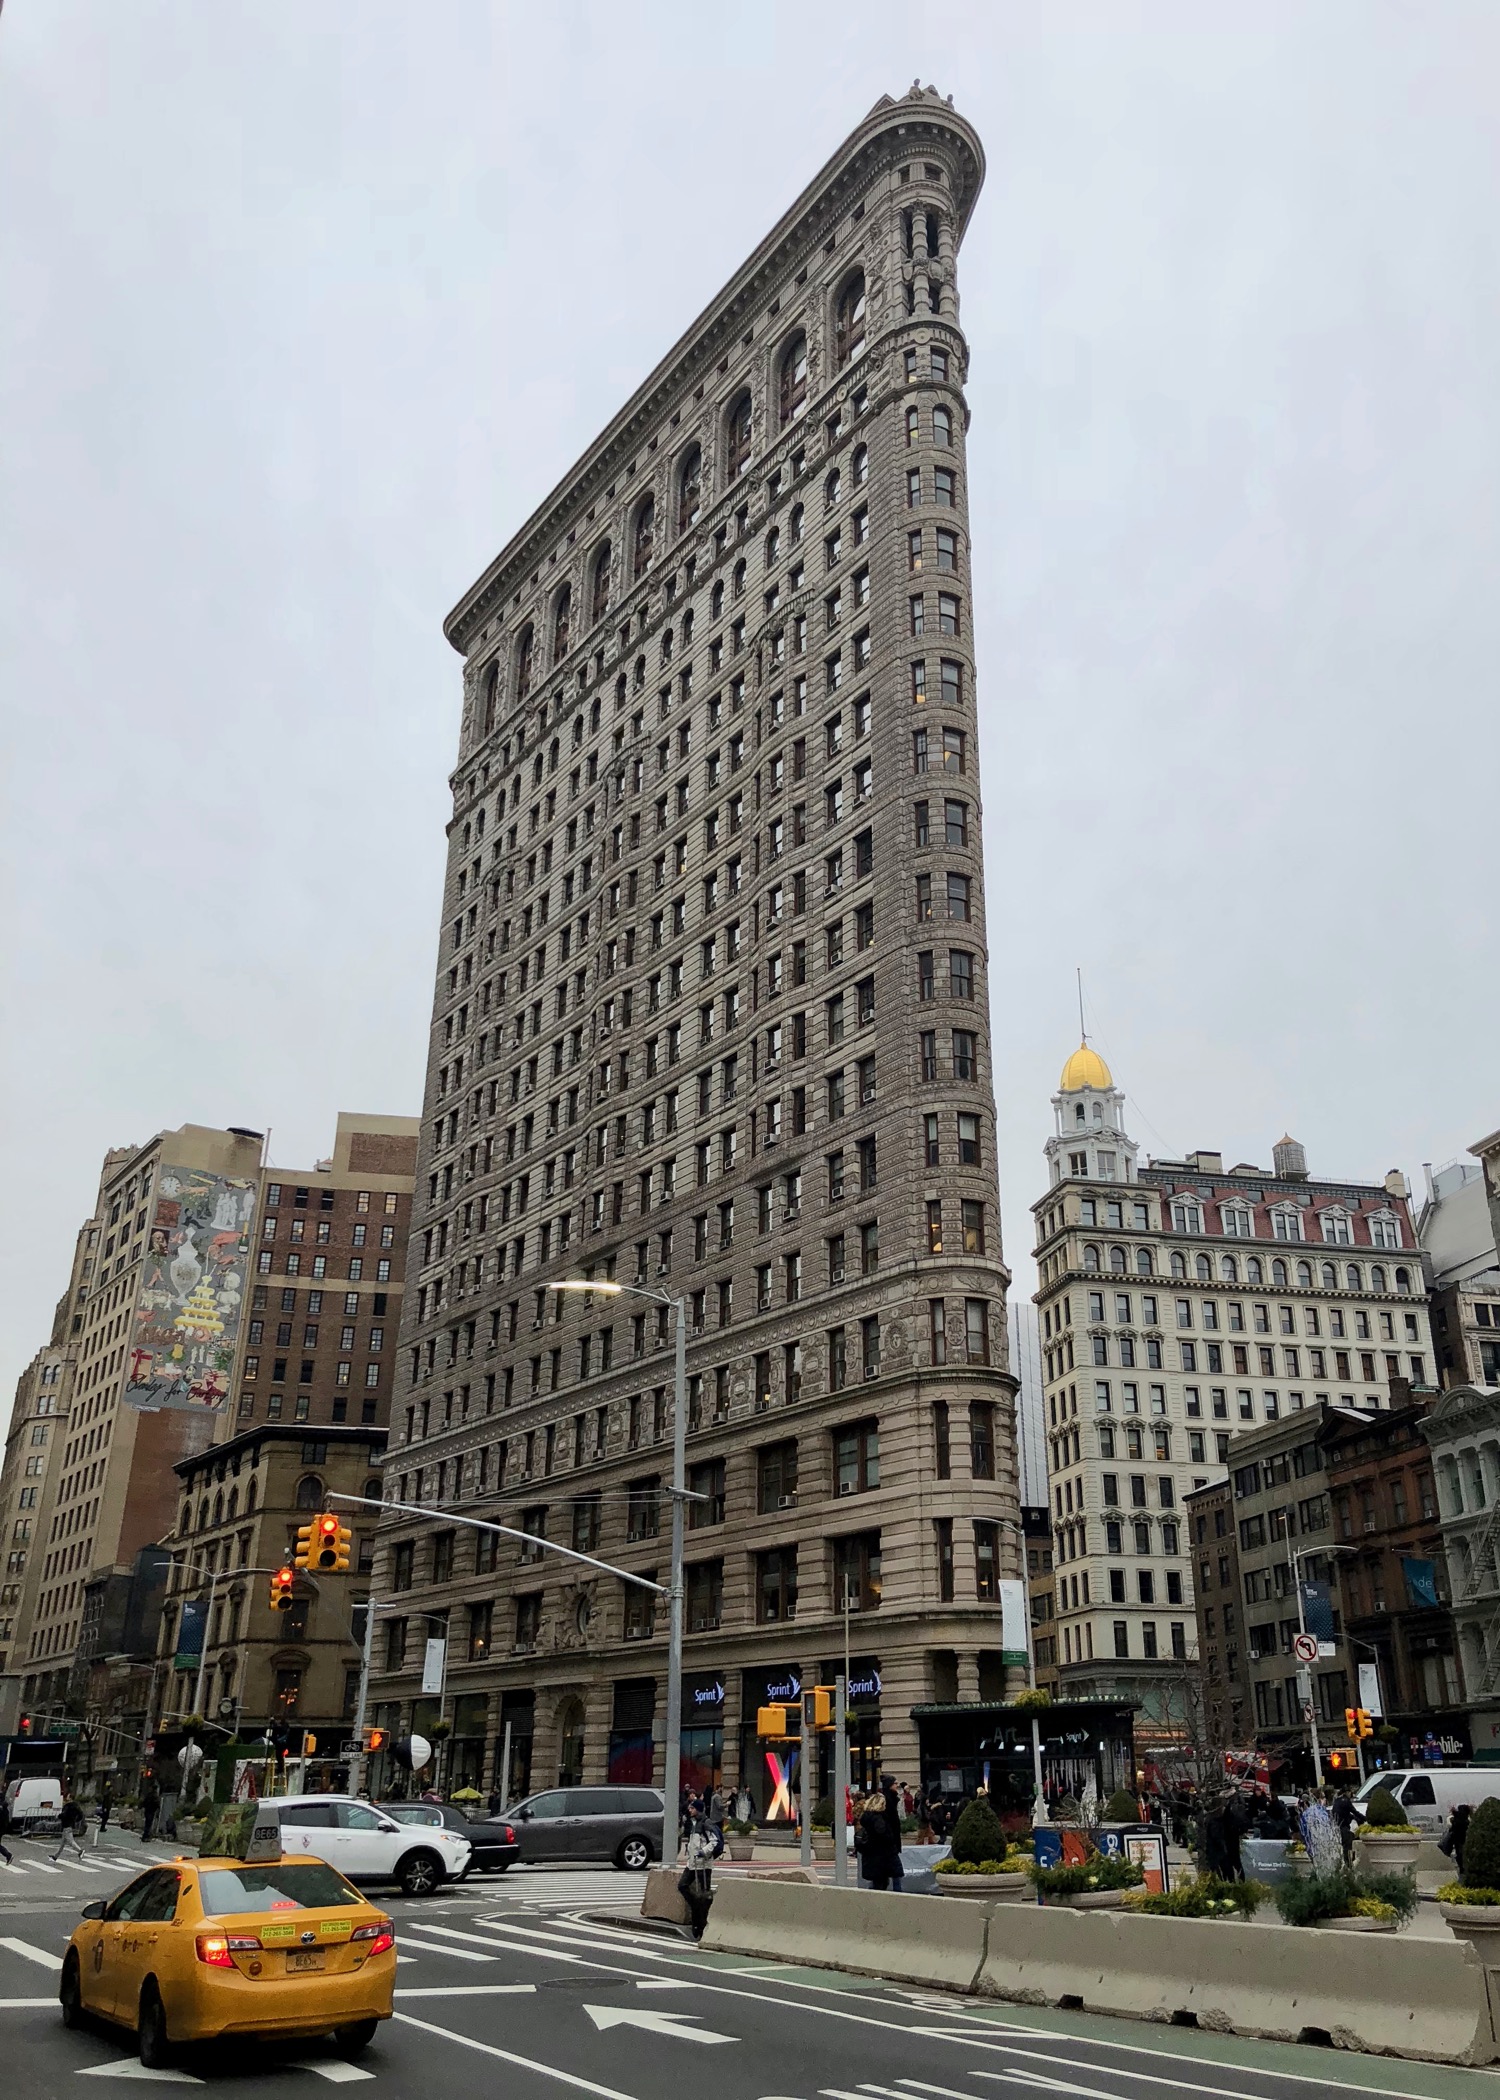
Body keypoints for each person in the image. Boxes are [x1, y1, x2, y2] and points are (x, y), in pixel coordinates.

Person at [881, 1775, 906, 1892]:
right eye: (895, 1783)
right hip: (888, 1842)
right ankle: (897, 1893)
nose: (897, 1785)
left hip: (890, 1841)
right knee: (895, 1871)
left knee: (886, 1872)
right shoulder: (887, 1800)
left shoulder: (892, 1799)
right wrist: (889, 1837)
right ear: (890, 1785)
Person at [54, 1788, 87, 1863]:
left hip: (67, 1825)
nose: (66, 1798)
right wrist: (76, 1820)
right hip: (69, 1824)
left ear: (70, 1798)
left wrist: (59, 1816)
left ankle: (80, 1851)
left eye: (68, 1796)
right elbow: (81, 1814)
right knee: (62, 1843)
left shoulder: (69, 1806)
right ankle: (55, 1856)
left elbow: (64, 1815)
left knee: (71, 1842)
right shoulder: (75, 1806)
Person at [1440, 1802, 1472, 1875]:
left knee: (1459, 1855)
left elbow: (1452, 1826)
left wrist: (1453, 1811)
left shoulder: (1456, 1820)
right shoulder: (1466, 1821)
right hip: (1463, 1840)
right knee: (1462, 1855)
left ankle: (1461, 1869)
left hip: (1457, 1841)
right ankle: (1463, 1869)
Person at [1330, 1787, 1356, 1866]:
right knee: (1347, 1846)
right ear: (1347, 1792)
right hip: (1344, 1827)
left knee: (1344, 1845)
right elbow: (1354, 1812)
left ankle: (1345, 1863)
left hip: (1337, 1827)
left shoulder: (1337, 1801)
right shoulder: (1346, 1801)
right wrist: (1364, 1819)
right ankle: (1348, 1864)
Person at [140, 1778, 160, 1844]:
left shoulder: (149, 1795)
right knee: (148, 1824)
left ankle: (145, 1836)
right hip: (151, 1811)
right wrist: (157, 1809)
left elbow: (144, 1802)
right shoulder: (154, 1796)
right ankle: (145, 1836)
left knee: (147, 1824)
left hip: (147, 1810)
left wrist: (141, 1807)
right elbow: (157, 1804)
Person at [94, 1780, 114, 1847]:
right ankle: (102, 1827)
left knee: (105, 1817)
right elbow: (105, 1802)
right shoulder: (107, 1794)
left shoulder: (110, 1794)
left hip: (107, 1807)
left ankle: (103, 1826)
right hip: (106, 1807)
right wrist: (105, 1807)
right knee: (105, 1817)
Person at [0, 1791, 11, 1868]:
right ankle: (8, 1855)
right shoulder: (5, 1810)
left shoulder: (2, 1810)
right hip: (1, 1830)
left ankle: (8, 1855)